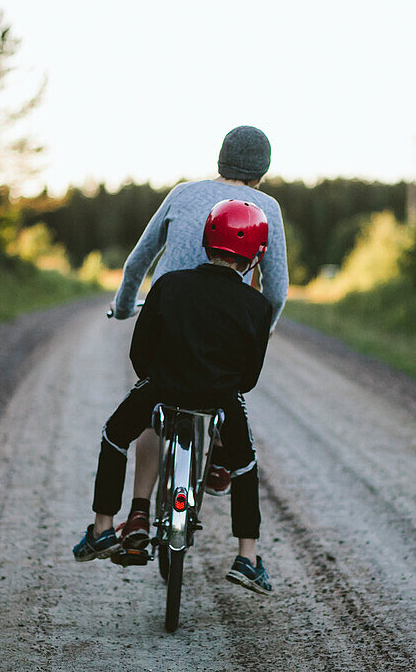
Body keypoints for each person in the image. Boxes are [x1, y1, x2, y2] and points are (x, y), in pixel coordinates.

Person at [74, 199, 275, 594]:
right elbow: (248, 378)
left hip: (163, 388)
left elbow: (139, 354)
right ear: (256, 252)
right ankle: (247, 557)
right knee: (245, 465)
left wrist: (156, 379)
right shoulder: (257, 305)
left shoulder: (170, 284)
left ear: (207, 239)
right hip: (221, 399)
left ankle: (101, 529)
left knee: (115, 435)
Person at [108, 125, 288, 555]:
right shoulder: (267, 207)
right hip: (225, 335)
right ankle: (221, 459)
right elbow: (276, 290)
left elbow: (138, 261)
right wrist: (260, 328)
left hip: (170, 325)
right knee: (227, 383)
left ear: (221, 159)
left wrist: (123, 305)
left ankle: (137, 512)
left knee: (156, 403)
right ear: (262, 169)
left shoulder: (182, 194)